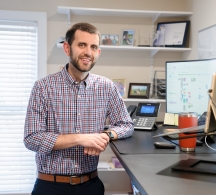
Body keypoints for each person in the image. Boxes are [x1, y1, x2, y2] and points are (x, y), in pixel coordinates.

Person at [24, 22, 134, 195]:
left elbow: (126, 125)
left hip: (91, 186)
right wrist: (80, 139)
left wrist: (104, 136)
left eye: (93, 47)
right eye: (82, 45)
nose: (88, 52)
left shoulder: (107, 87)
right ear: (67, 48)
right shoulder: (43, 87)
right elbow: (31, 139)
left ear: (98, 52)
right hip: (50, 187)